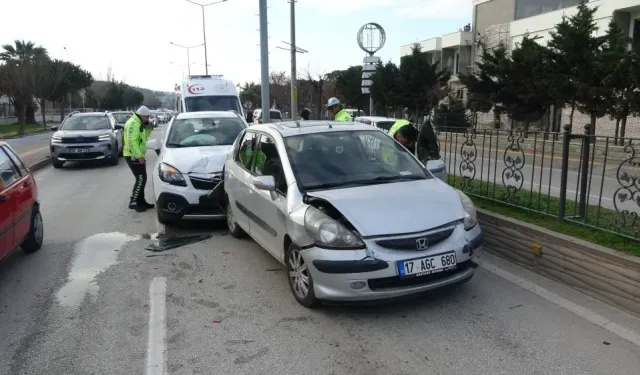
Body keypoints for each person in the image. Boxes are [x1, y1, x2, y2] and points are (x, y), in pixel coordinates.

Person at [123, 105, 155, 212]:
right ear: (141, 115)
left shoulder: (139, 123)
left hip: (137, 155)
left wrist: (148, 128)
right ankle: (134, 201)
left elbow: (144, 138)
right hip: (132, 155)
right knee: (140, 179)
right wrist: (138, 156)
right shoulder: (133, 123)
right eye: (146, 117)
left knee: (142, 178)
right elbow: (132, 142)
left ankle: (142, 202)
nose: (147, 119)